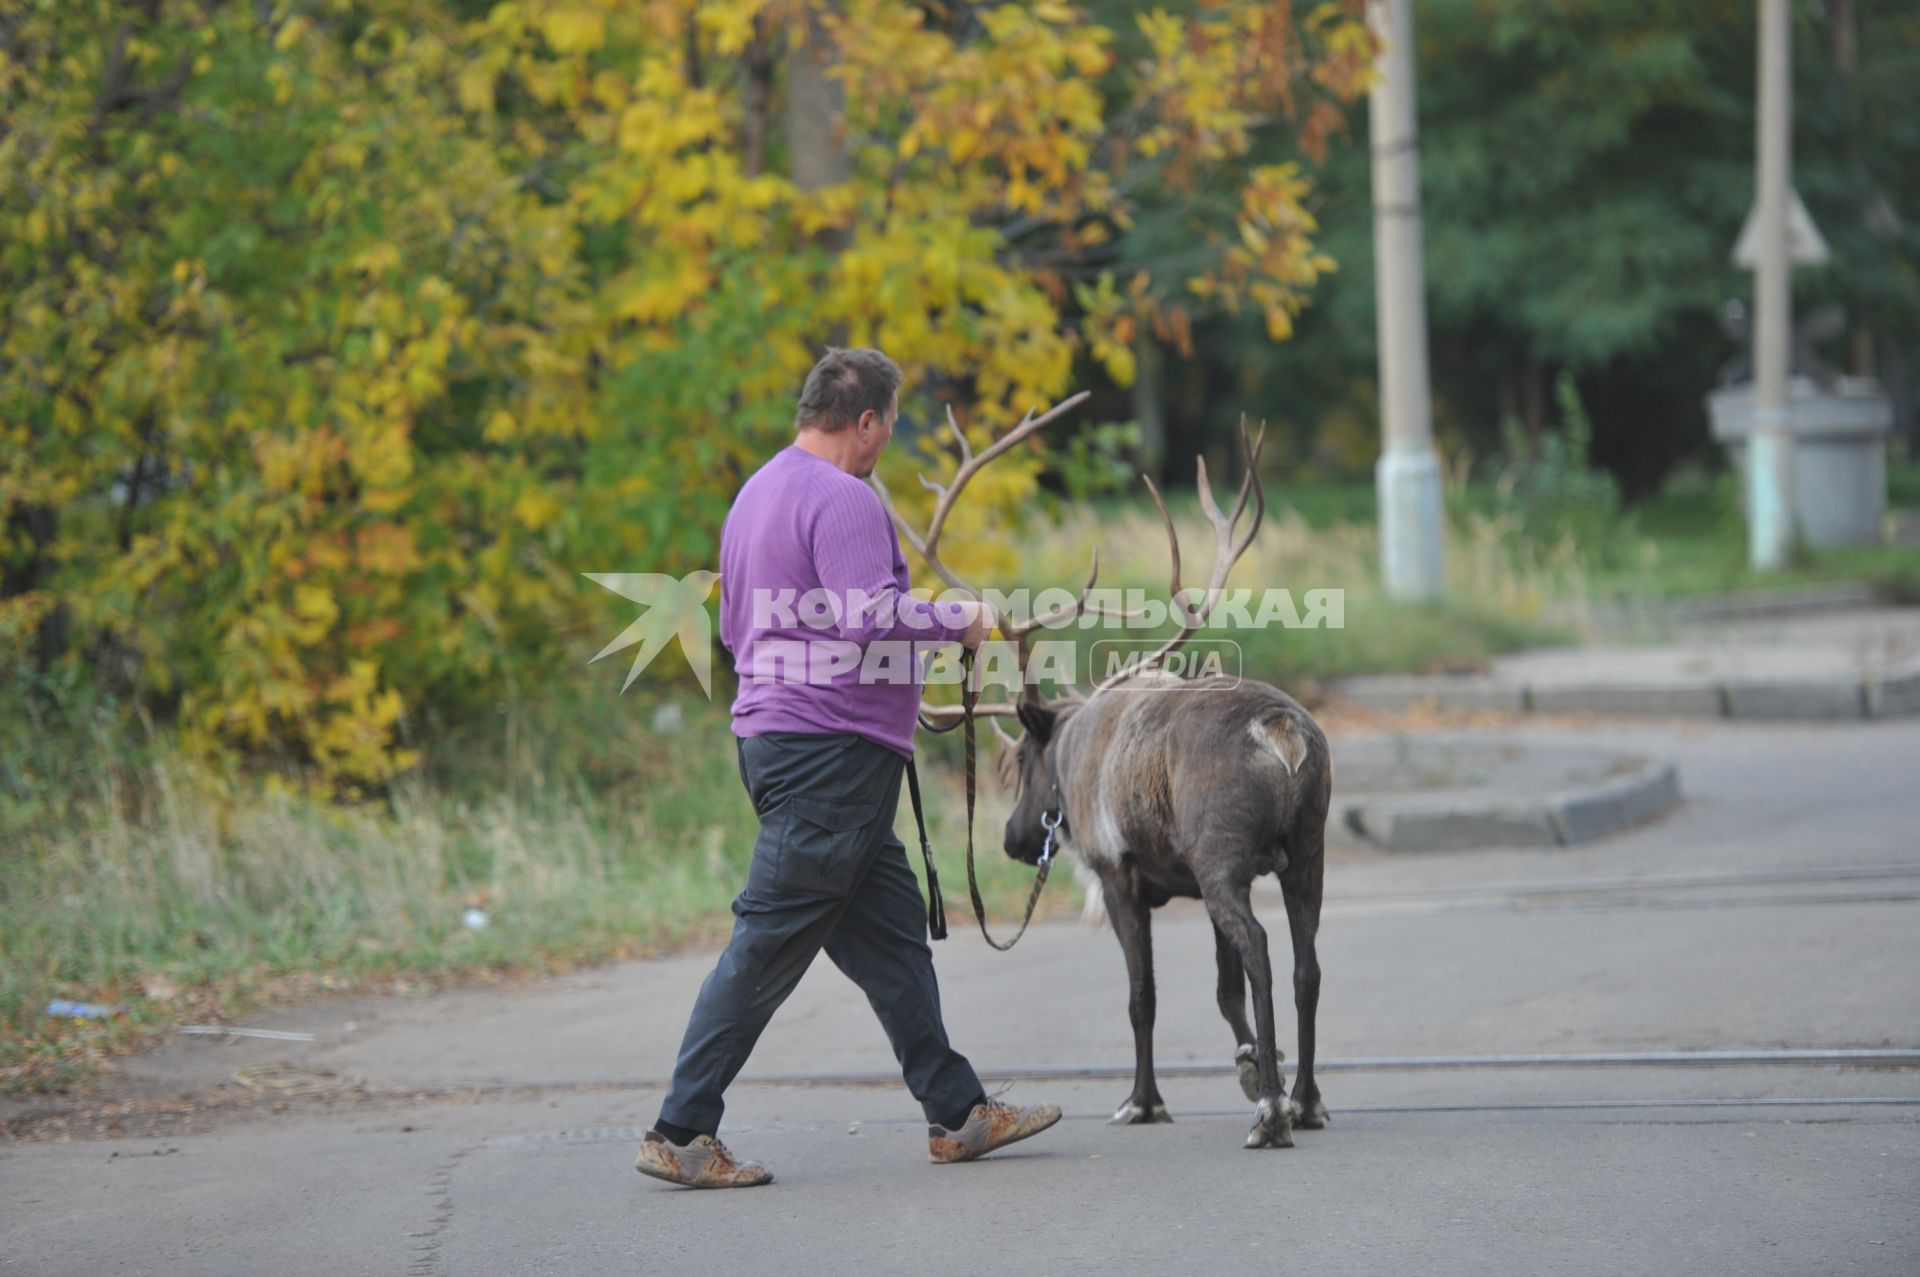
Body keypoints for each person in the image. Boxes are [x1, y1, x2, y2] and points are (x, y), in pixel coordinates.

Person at [635, 347, 1062, 1189]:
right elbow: (870, 621)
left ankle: (958, 1110)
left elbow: (737, 632)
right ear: (865, 419)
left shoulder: (756, 492)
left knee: (894, 939)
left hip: (781, 744)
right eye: (891, 424)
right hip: (830, 758)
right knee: (765, 945)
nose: (887, 442)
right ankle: (680, 1129)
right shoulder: (845, 499)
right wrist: (961, 620)